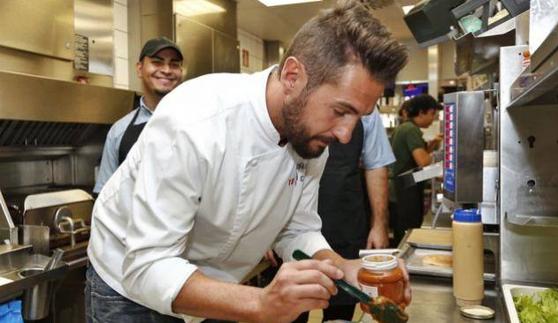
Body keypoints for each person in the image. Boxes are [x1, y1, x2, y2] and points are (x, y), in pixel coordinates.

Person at [85, 1, 409, 323]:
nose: (345, 135)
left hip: (211, 285)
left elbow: (297, 228)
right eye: (340, 111)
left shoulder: (311, 137)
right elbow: (147, 265)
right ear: (293, 76)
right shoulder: (195, 121)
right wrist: (260, 303)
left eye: (358, 117)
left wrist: (343, 268)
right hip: (127, 288)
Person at [293, 107, 395, 322]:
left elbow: (376, 166)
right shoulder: (297, 100)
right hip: (290, 223)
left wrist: (379, 224)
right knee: (291, 309)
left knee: (340, 311)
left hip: (345, 218)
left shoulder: (367, 108)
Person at [93, 37, 183, 196]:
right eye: (157, 62)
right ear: (140, 69)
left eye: (174, 64)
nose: (167, 70)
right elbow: (105, 196)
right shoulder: (119, 131)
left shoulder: (197, 123)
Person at [388, 94, 442, 245]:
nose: (433, 119)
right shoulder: (411, 130)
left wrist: (431, 146)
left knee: (402, 229)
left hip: (403, 185)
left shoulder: (405, 127)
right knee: (407, 231)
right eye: (432, 114)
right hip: (405, 187)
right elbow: (423, 161)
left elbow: (416, 157)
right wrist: (441, 157)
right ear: (421, 112)